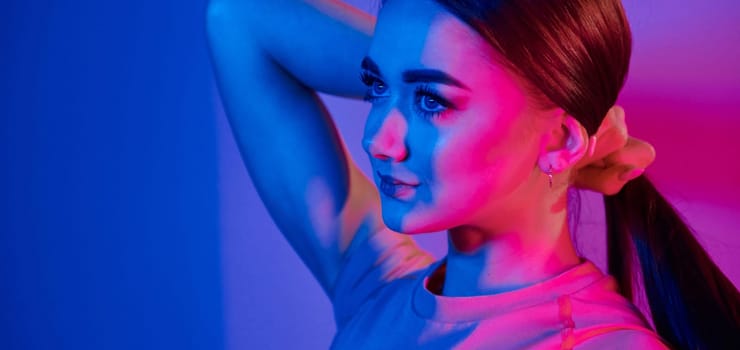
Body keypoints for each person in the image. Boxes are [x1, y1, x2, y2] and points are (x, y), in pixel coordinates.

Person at [205, 0, 740, 348]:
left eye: (433, 102)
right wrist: (416, 57)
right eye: (376, 88)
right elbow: (239, 17)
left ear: (562, 137)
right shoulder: (378, 293)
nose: (377, 139)